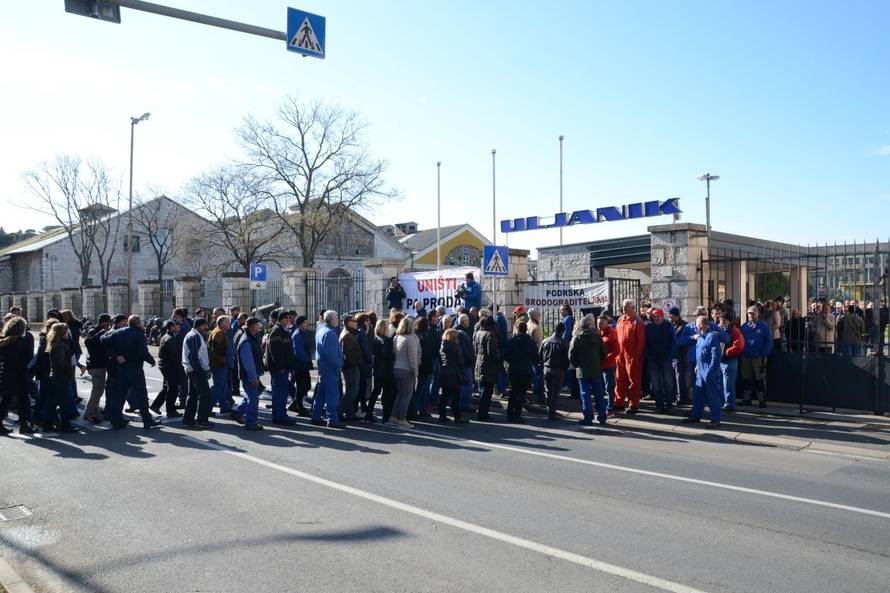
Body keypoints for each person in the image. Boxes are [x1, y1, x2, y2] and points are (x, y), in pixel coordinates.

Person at [102, 315, 161, 431]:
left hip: (121, 368)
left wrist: (116, 356)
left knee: (119, 395)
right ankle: (147, 421)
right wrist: (151, 360)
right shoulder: (138, 334)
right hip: (135, 368)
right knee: (141, 395)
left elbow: (103, 340)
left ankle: (116, 421)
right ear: (138, 323)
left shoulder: (118, 332)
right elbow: (143, 352)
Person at [684, 316, 725, 428]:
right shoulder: (701, 337)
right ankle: (696, 415)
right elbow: (700, 354)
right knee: (698, 394)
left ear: (703, 324)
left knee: (712, 395)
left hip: (708, 370)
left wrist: (711, 370)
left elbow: (715, 355)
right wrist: (697, 365)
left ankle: (715, 419)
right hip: (700, 370)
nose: (695, 326)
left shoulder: (711, 337)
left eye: (697, 324)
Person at [568, 315, 608, 425]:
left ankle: (588, 418)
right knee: (599, 394)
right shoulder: (597, 337)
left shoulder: (576, 338)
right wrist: (599, 363)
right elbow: (604, 352)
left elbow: (571, 355)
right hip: (596, 369)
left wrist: (577, 365)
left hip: (582, 371)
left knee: (585, 395)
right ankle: (602, 416)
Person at [43, 322, 80, 434]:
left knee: (53, 402)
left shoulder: (56, 343)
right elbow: (61, 363)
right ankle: (65, 425)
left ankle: (48, 425)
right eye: (66, 330)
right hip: (61, 377)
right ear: (61, 332)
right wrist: (69, 372)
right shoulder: (60, 345)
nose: (67, 332)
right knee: (64, 402)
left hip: (56, 376)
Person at [0, 316, 34, 434]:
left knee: (6, 399)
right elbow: (29, 357)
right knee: (23, 400)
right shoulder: (26, 338)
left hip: (7, 372)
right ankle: (24, 425)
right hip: (21, 373)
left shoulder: (4, 338)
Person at [264, 310, 298, 425]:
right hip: (279, 369)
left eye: (289, 318)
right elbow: (276, 352)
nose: (288, 320)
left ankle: (278, 416)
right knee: (280, 394)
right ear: (280, 319)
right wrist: (281, 367)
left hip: (282, 368)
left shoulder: (282, 330)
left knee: (279, 393)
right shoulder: (277, 331)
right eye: (286, 318)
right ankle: (280, 416)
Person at [312, 310, 345, 428]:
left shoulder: (321, 330)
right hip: (330, 368)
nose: (338, 319)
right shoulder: (330, 333)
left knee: (321, 394)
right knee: (332, 395)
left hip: (323, 367)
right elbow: (331, 354)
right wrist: (339, 364)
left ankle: (315, 416)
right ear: (331, 319)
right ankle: (332, 419)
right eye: (337, 317)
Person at [231, 317, 265, 431]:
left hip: (252, 373)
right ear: (252, 326)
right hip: (249, 375)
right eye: (257, 325)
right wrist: (253, 377)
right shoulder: (246, 340)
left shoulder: (251, 338)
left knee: (251, 395)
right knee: (253, 399)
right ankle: (251, 423)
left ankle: (237, 412)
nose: (259, 326)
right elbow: (248, 362)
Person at [502, 320, 537, 423]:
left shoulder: (512, 341)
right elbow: (535, 356)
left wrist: (512, 361)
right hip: (526, 370)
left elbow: (505, 355)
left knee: (513, 391)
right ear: (526, 329)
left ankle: (509, 413)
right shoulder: (530, 342)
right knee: (522, 393)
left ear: (517, 329)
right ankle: (517, 414)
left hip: (514, 369)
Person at [614, 299, 646, 414]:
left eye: (626, 306)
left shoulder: (638, 321)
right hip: (620, 354)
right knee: (619, 379)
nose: (623, 308)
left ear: (632, 308)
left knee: (634, 381)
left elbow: (641, 341)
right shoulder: (620, 319)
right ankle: (618, 402)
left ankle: (633, 404)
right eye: (623, 306)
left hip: (632, 356)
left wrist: (636, 356)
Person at [644, 308, 678, 413]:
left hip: (666, 359)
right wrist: (649, 356)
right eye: (654, 316)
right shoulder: (648, 327)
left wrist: (671, 356)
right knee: (656, 384)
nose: (656, 318)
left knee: (669, 383)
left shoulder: (669, 326)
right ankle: (659, 405)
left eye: (658, 316)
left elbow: (674, 342)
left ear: (662, 316)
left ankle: (669, 405)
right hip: (653, 360)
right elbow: (645, 343)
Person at [739, 306, 772, 408]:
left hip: (758, 357)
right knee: (746, 378)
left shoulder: (764, 326)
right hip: (746, 356)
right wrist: (742, 351)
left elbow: (768, 341)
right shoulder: (744, 326)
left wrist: (763, 353)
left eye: (753, 313)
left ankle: (762, 400)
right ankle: (746, 399)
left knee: (759, 378)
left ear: (758, 313)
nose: (751, 315)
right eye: (749, 313)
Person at [83, 313, 112, 423]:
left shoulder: (101, 330)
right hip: (96, 365)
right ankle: (89, 413)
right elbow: (88, 342)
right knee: (97, 389)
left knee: (99, 389)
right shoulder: (94, 330)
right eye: (108, 322)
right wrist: (101, 333)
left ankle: (94, 411)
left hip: (100, 364)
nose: (109, 325)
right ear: (104, 322)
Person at [150, 320, 182, 418]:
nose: (179, 327)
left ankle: (155, 405)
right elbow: (174, 356)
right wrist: (179, 366)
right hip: (170, 366)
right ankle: (171, 410)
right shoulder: (170, 339)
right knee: (173, 389)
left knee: (167, 387)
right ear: (172, 327)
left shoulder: (166, 336)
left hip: (165, 365)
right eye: (177, 325)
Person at [539, 321, 569, 421]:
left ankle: (549, 410)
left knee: (548, 391)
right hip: (558, 370)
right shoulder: (564, 343)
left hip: (547, 368)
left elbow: (539, 355)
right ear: (562, 331)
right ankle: (551, 413)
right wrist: (565, 367)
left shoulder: (545, 341)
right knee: (555, 393)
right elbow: (567, 358)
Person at [437, 328, 468, 424]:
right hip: (454, 373)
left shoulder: (442, 346)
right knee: (455, 397)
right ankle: (457, 417)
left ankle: (442, 416)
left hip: (444, 372)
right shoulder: (455, 347)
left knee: (444, 397)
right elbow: (460, 361)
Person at [473, 315, 499, 421]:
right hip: (488, 365)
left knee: (484, 389)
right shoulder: (490, 335)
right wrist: (499, 360)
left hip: (479, 363)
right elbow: (491, 353)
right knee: (487, 391)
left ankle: (482, 412)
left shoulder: (478, 333)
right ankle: (483, 414)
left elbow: (475, 350)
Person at [338, 314, 363, 422]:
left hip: (351, 366)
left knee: (351, 391)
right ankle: (338, 412)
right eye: (354, 321)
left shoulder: (349, 334)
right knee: (351, 392)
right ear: (348, 323)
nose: (357, 322)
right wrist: (356, 362)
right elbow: (346, 354)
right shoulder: (347, 335)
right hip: (351, 367)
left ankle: (350, 413)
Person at [370, 319, 396, 423]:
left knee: (375, 392)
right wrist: (393, 355)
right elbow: (386, 354)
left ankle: (369, 413)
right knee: (387, 394)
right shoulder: (386, 340)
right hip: (386, 369)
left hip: (378, 368)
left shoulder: (375, 338)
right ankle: (386, 416)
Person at [719, 312, 745, 412]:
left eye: (723, 320)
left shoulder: (734, 331)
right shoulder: (723, 330)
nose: (721, 322)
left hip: (729, 360)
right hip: (723, 360)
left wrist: (726, 352)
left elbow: (739, 346)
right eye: (720, 320)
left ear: (728, 322)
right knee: (723, 383)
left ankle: (729, 404)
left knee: (728, 384)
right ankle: (725, 402)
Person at [288, 315, 313, 417]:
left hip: (303, 364)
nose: (307, 324)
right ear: (300, 324)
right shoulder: (297, 335)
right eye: (305, 322)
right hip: (299, 365)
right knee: (302, 387)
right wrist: (308, 359)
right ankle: (300, 408)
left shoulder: (303, 333)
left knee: (306, 386)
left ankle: (294, 404)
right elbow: (298, 352)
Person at [208, 315, 233, 415]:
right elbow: (218, 352)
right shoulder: (218, 333)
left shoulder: (218, 332)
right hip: (219, 365)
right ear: (222, 324)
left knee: (223, 386)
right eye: (227, 323)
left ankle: (224, 406)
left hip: (219, 364)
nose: (229, 324)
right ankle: (207, 408)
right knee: (218, 387)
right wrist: (224, 362)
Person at [414, 317, 436, 420]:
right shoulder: (424, 335)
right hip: (425, 365)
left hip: (423, 365)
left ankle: (422, 410)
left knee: (423, 389)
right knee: (421, 389)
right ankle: (416, 410)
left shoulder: (419, 334)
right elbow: (428, 352)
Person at [597, 314, 619, 414]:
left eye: (601, 323)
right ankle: (603, 406)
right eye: (597, 323)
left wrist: (606, 358)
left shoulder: (611, 333)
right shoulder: (599, 333)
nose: (599, 325)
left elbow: (617, 350)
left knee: (609, 387)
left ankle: (610, 407)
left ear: (606, 323)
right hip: (601, 365)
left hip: (609, 365)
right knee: (602, 387)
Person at [456, 313, 475, 412]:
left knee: (462, 384)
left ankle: (461, 404)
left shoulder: (459, 331)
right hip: (465, 363)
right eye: (467, 321)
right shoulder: (462, 333)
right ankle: (464, 405)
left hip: (462, 363)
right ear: (463, 322)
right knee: (467, 384)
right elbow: (465, 350)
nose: (469, 322)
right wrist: (471, 359)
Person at [560, 304, 579, 399]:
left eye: (562, 310)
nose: (560, 312)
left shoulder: (567, 319)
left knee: (568, 366)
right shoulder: (567, 319)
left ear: (567, 310)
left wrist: (562, 343)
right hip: (567, 343)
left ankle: (568, 385)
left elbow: (566, 334)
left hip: (566, 345)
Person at [527, 307, 545, 404]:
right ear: (536, 316)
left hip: (527, 353)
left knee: (533, 373)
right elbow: (538, 343)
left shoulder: (527, 325)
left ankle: (534, 388)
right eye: (539, 315)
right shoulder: (536, 328)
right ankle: (538, 392)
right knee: (538, 374)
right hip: (535, 353)